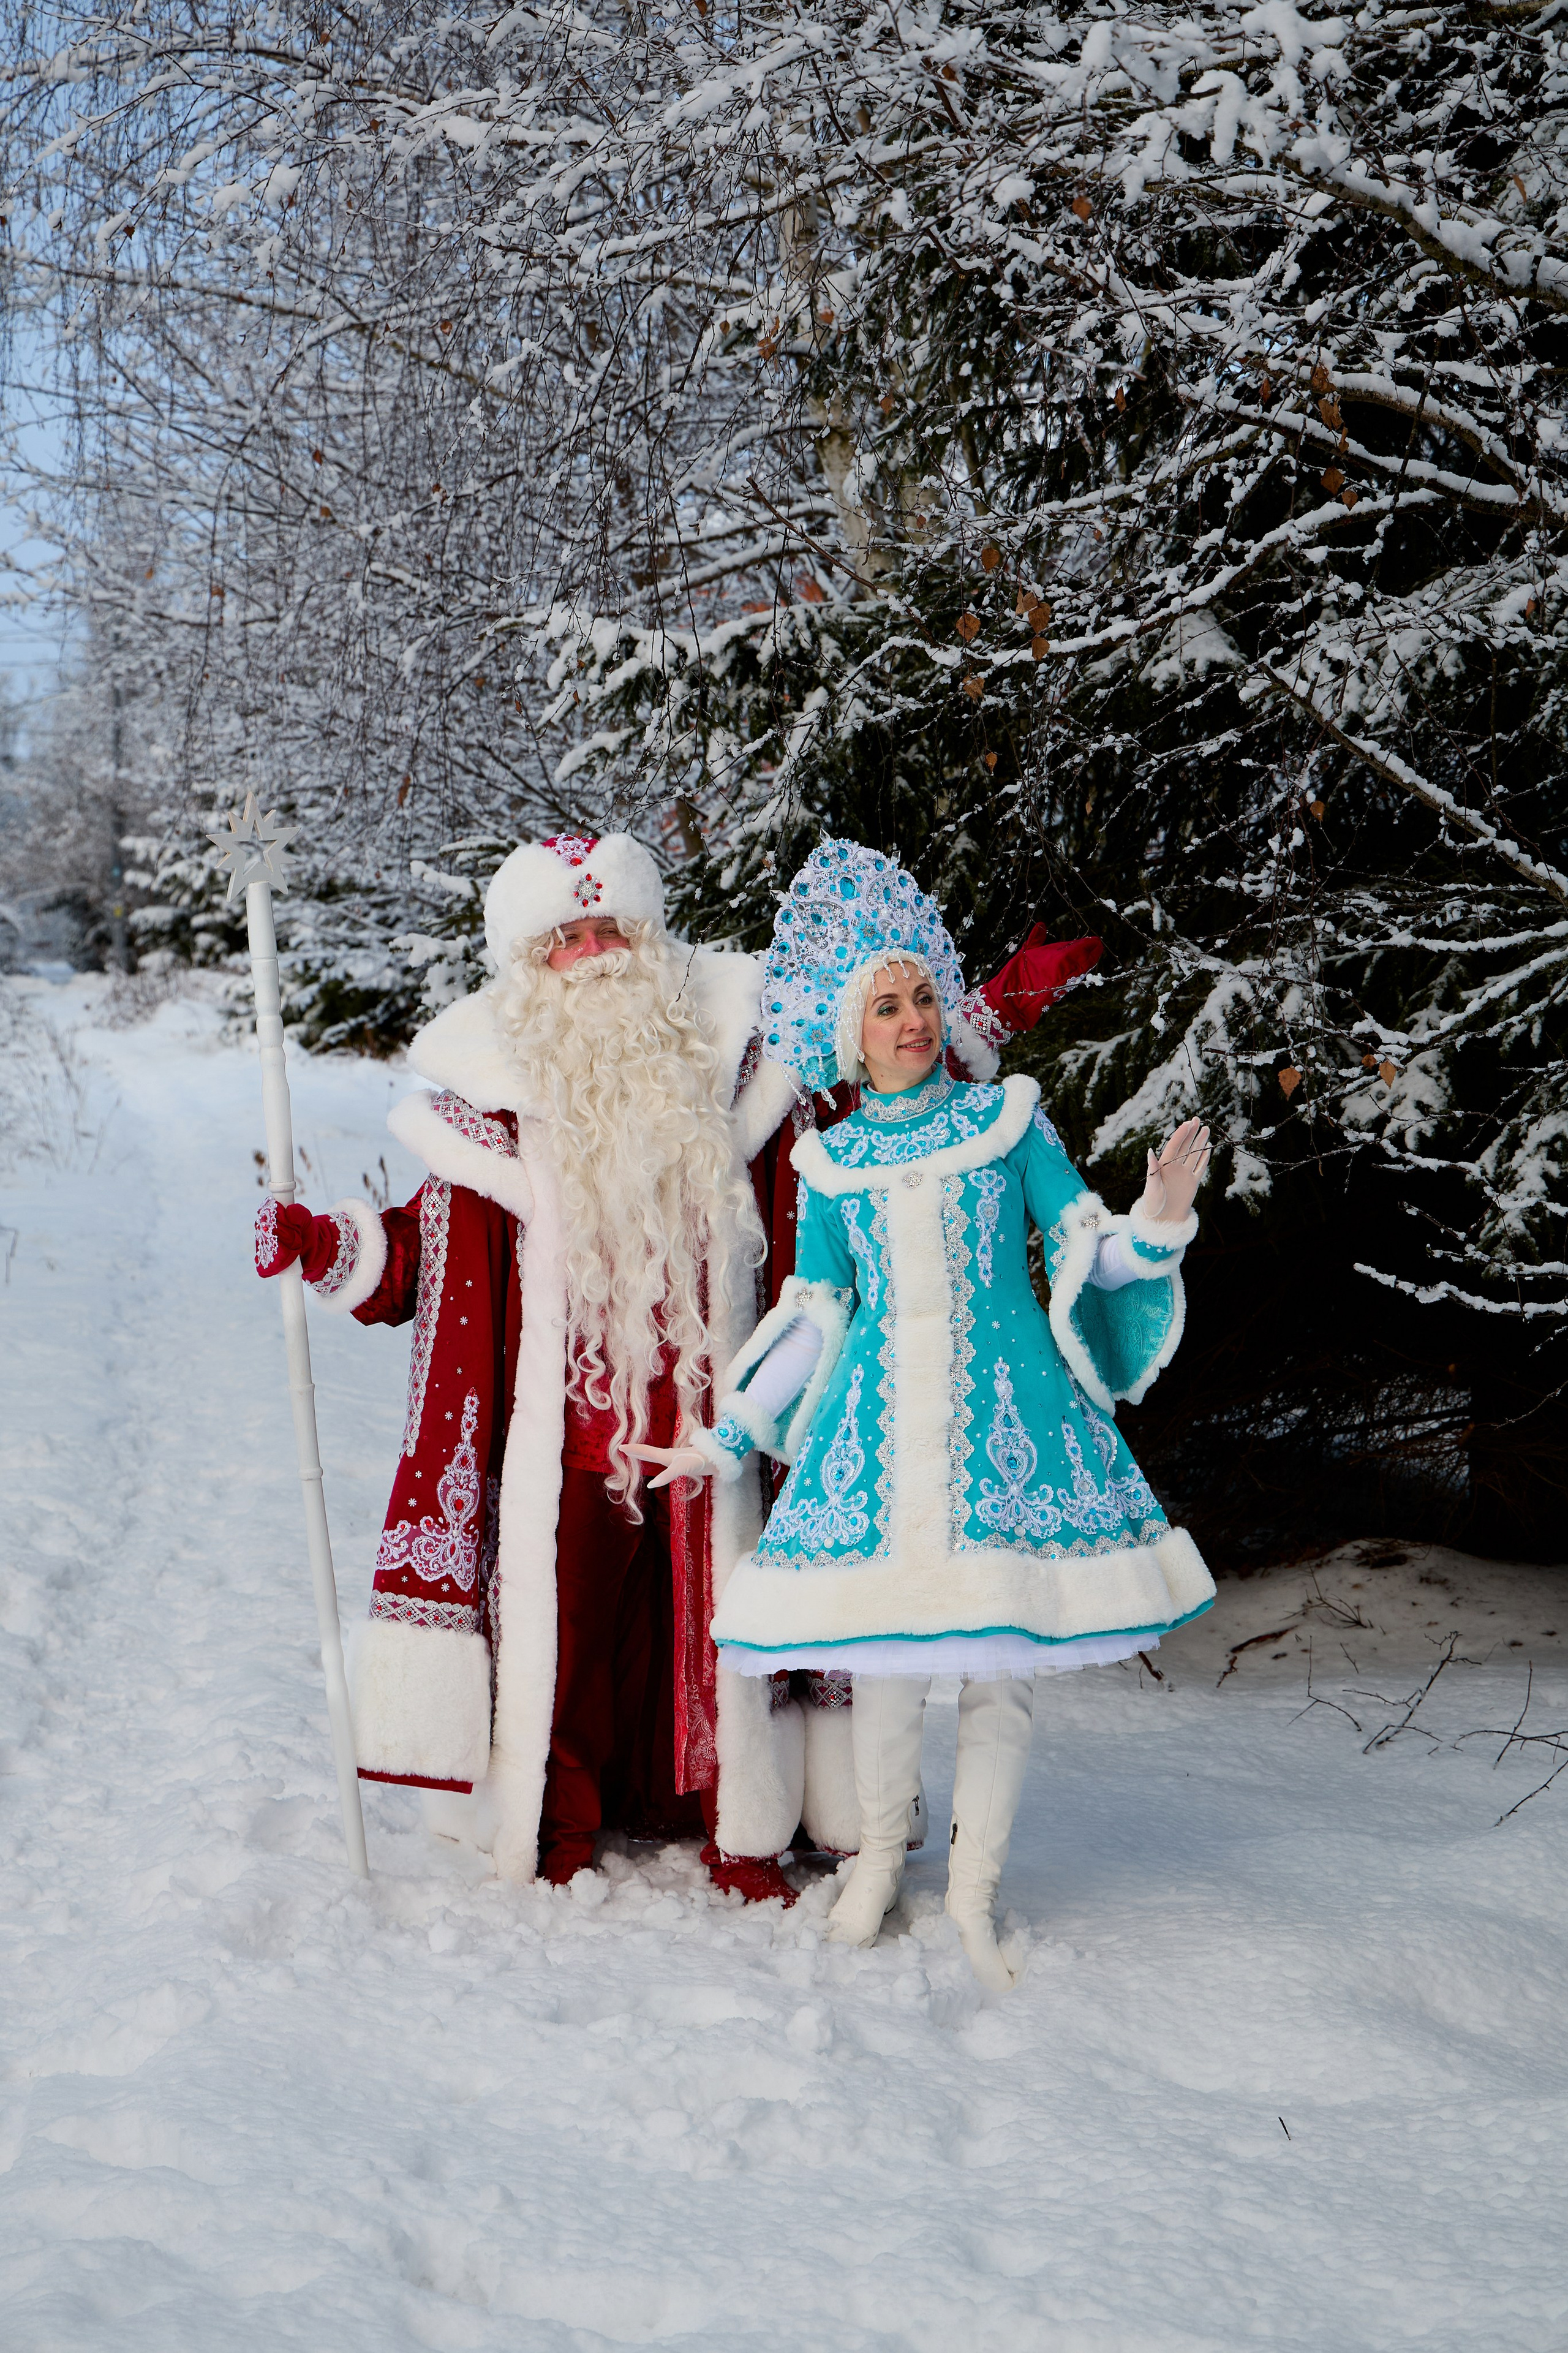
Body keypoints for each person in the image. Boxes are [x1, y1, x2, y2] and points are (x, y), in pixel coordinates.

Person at [255, 829, 1092, 1897]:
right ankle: (553, 1823)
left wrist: (985, 1015)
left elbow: (874, 1100)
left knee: (727, 1629)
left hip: (723, 1422)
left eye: (613, 928)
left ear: (651, 939)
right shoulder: (492, 1098)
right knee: (568, 1634)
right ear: (529, 960)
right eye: (569, 936)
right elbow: (428, 1249)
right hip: (568, 1428)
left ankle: (739, 1827)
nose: (596, 952)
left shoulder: (739, 1060)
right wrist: (324, 1245)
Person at [635, 838, 1214, 1985]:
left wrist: (1157, 1220)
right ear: (849, 1035)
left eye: (920, 997)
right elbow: (814, 1312)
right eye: (884, 1004)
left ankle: (975, 1890)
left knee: (1001, 1665)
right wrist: (730, 1432)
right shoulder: (832, 1161)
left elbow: (1087, 1250)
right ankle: (877, 1866)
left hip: (1006, 1433)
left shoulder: (1009, 1122)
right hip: (879, 1445)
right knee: (885, 1660)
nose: (910, 1020)